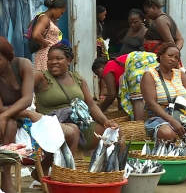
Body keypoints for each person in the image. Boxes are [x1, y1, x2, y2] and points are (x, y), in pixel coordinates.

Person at [33, 41, 123, 181]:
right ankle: (63, 176)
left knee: (116, 133)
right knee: (72, 130)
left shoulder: (77, 78)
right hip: (53, 127)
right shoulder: (41, 77)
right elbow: (23, 82)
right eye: (50, 59)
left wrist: (105, 121)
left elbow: (91, 105)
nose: (53, 62)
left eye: (59, 58)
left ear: (69, 60)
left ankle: (113, 176)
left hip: (81, 125)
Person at [0, 36, 47, 193]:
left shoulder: (23, 64)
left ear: (8, 57)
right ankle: (5, 178)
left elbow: (26, 98)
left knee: (53, 129)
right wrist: (6, 116)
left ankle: (42, 172)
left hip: (21, 111)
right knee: (8, 124)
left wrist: (8, 115)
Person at [119, 51, 159, 121]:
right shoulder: (152, 55)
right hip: (153, 72)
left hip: (135, 74)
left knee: (137, 98)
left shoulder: (112, 64)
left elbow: (112, 93)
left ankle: (139, 125)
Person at [32, 0, 66, 71]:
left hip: (49, 55)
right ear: (56, 8)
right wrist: (46, 44)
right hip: (45, 56)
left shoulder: (48, 19)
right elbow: (36, 35)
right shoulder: (44, 18)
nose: (60, 16)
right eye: (61, 13)